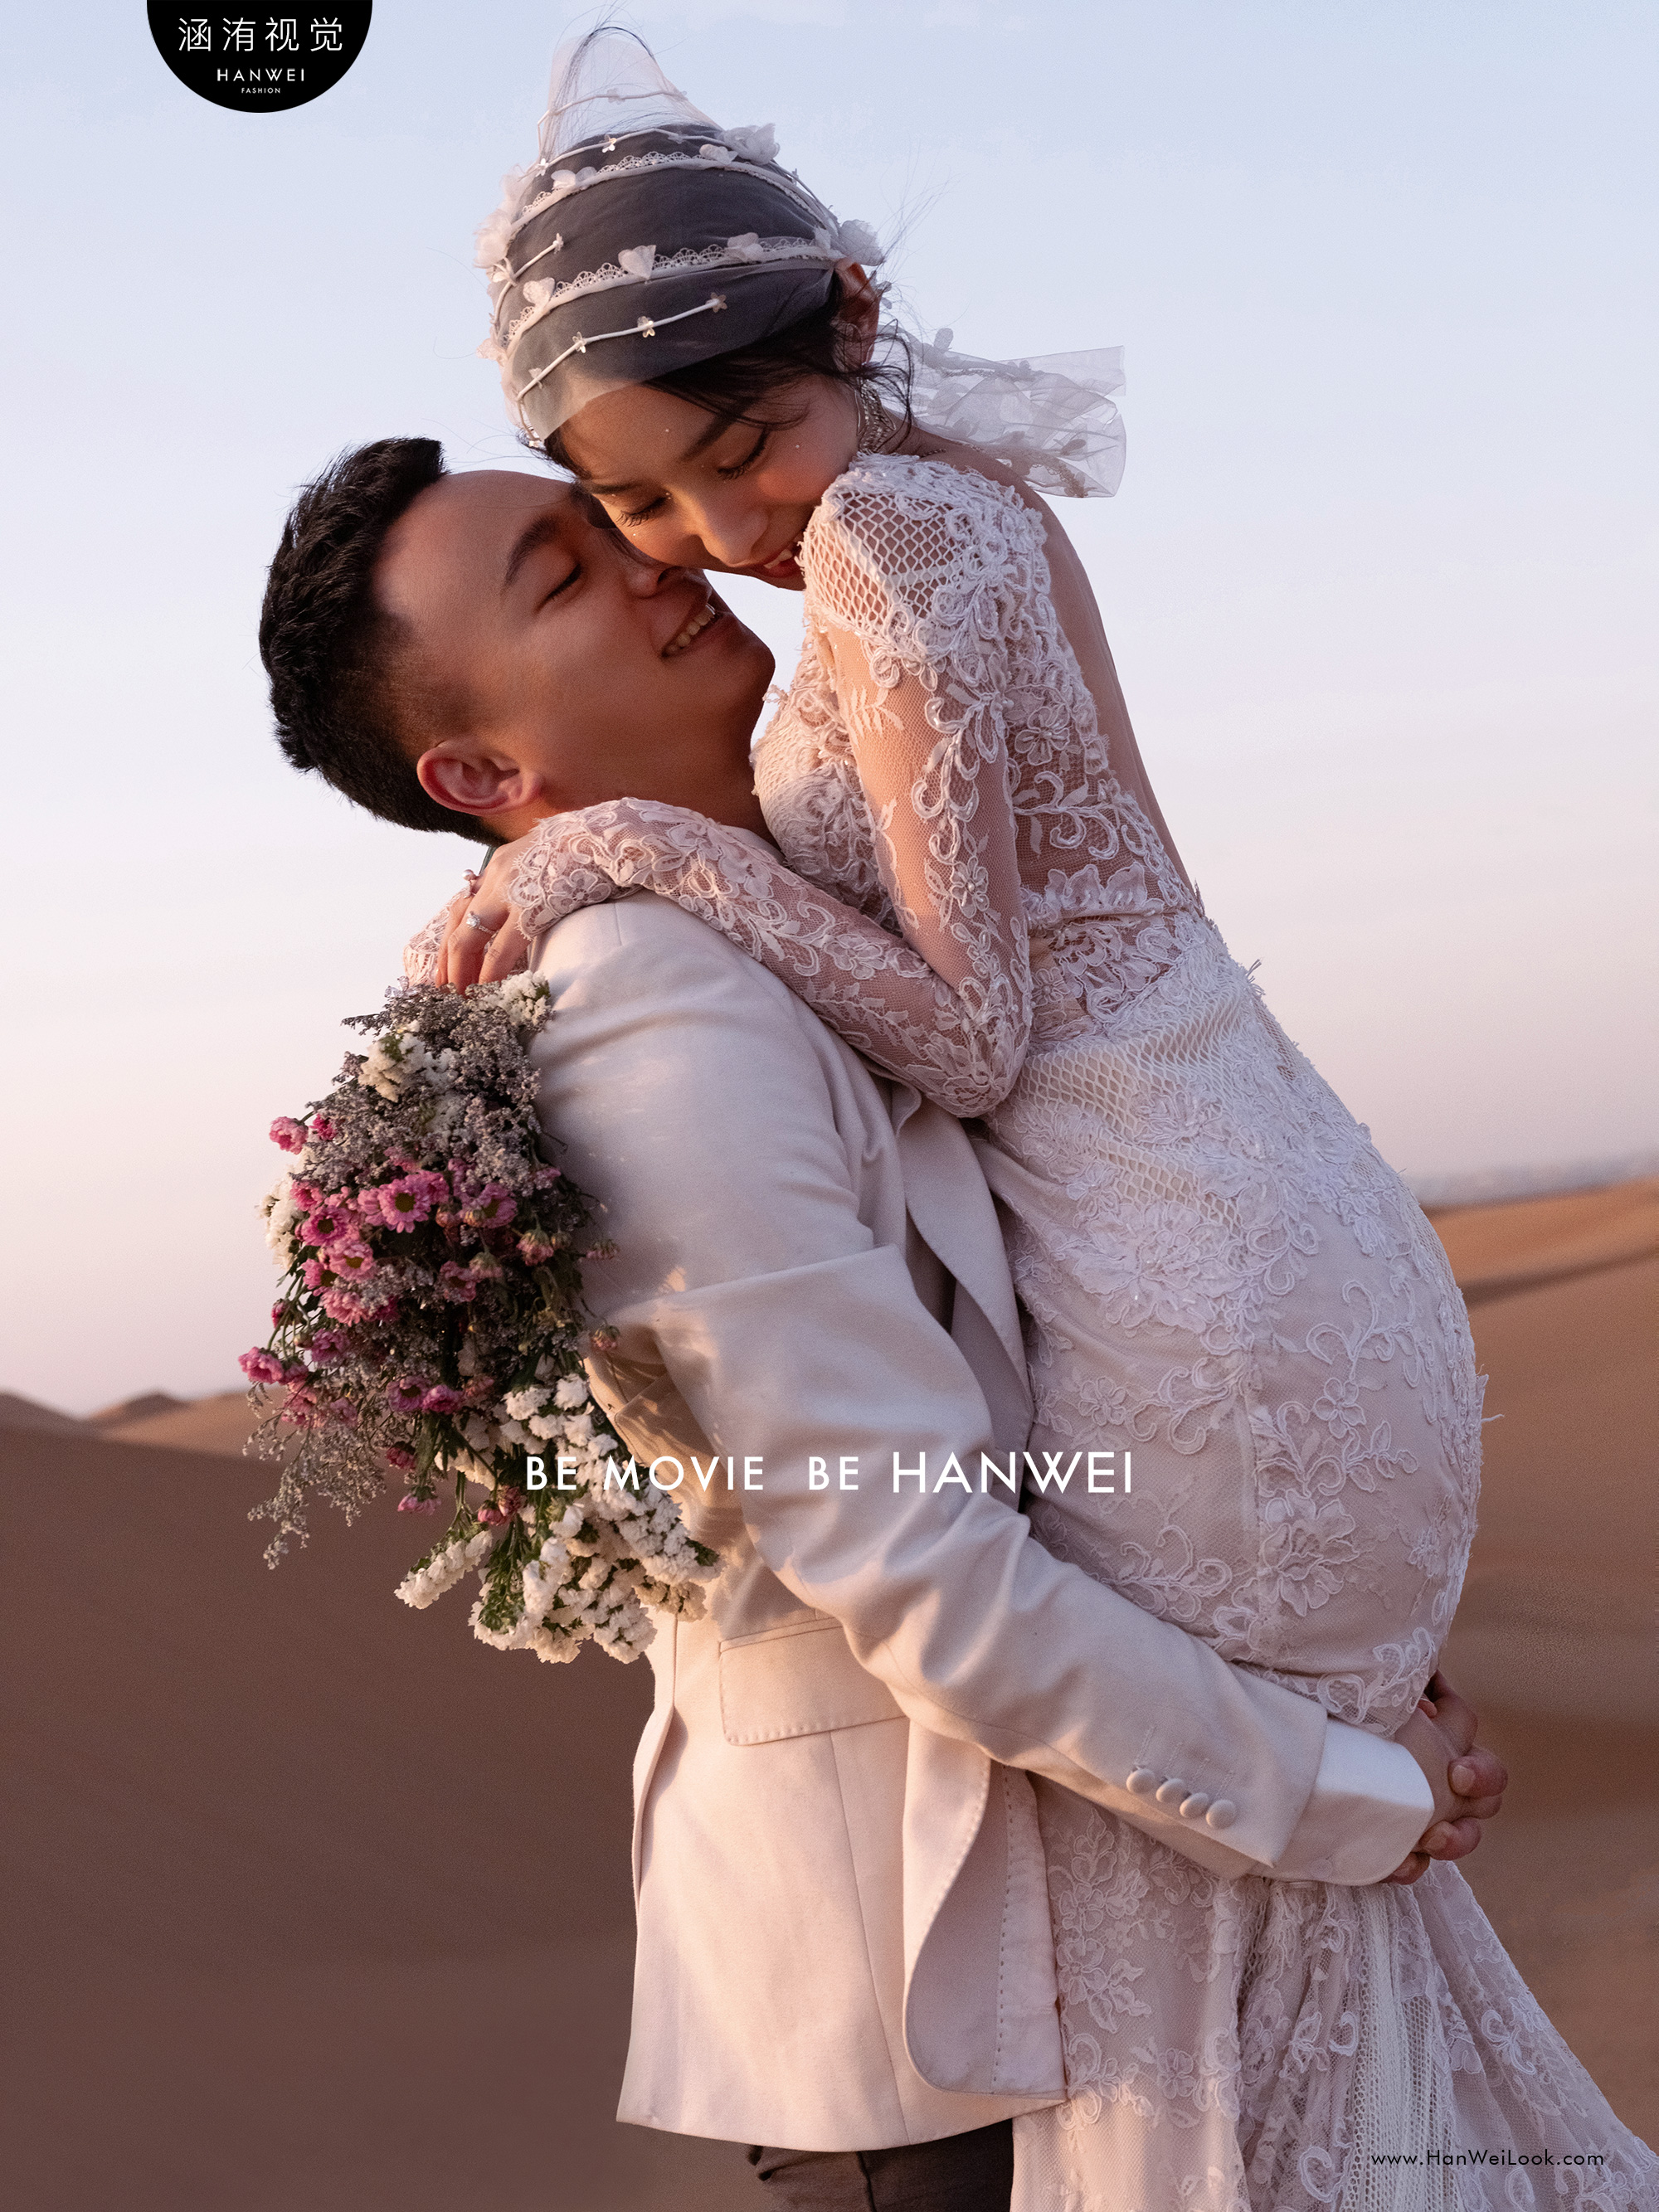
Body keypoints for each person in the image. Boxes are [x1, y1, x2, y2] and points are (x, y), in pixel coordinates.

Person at [401, 31, 1657, 2210]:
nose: (722, 535)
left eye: (739, 450)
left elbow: (970, 1038)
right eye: (641, 511)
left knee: (1206, 1985)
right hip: (1239, 1172)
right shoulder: (945, 495)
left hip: (1179, 1222)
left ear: (852, 320)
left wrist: (632, 846)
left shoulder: (889, 532)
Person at [260, 450, 1523, 2212]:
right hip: (939, 2010)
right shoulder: (643, 1006)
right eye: (563, 574)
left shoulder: (796, 918)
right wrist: (1341, 1786)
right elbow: (912, 1558)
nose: (650, 562)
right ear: (479, 777)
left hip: (1096, 1918)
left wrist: (1333, 1653)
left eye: (612, 523)